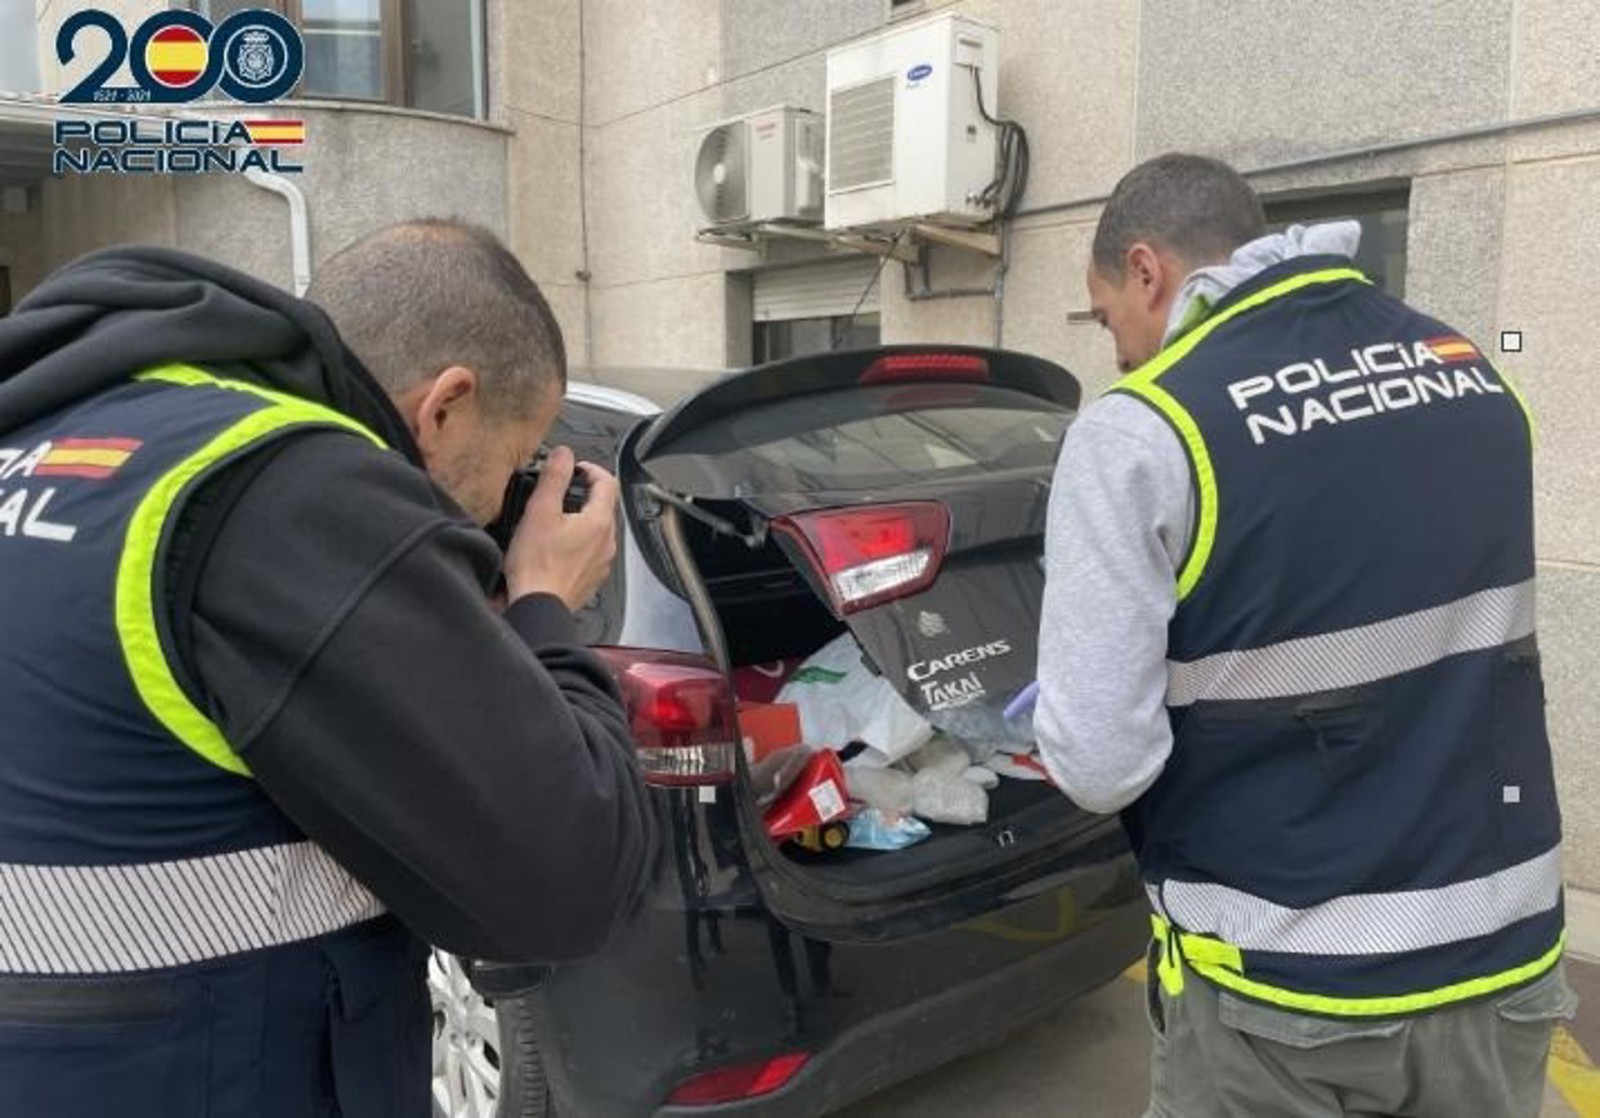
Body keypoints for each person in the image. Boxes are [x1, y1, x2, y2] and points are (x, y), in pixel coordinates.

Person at [0, 220, 658, 1117]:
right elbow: (570, 882)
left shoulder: (68, 437)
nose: (503, 501)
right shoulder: (297, 493)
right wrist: (545, 602)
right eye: (514, 464)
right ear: (445, 406)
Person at [1034, 154, 1574, 1117]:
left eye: (1107, 317)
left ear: (1147, 271)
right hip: (1503, 958)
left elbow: (1101, 763)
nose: (1118, 353)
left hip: (1285, 990)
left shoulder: (1144, 430)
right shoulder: (1470, 370)